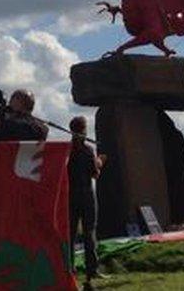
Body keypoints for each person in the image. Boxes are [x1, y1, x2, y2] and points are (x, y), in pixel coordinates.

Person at [68, 116, 105, 284]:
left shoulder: (67, 150)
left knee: (70, 233)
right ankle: (92, 269)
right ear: (84, 130)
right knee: (89, 232)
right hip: (86, 194)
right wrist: (99, 162)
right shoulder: (88, 150)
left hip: (70, 194)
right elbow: (95, 174)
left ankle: (69, 268)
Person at [0, 89, 48, 157]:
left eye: (11, 101)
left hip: (4, 168)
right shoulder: (42, 129)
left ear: (17, 103)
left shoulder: (9, 126)